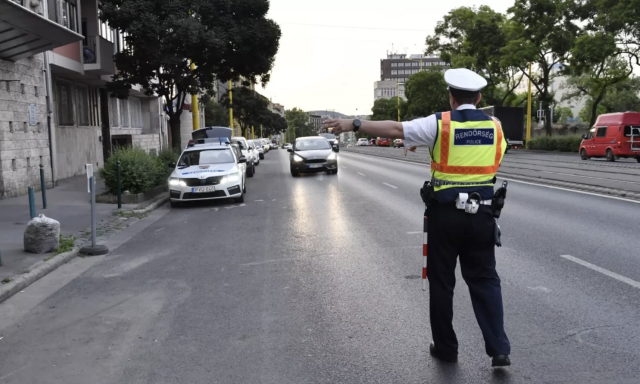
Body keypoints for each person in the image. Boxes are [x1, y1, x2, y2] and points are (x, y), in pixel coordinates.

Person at [323, 68, 511, 367]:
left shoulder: (439, 124)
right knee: (485, 280)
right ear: (478, 98)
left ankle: (447, 348)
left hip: (445, 216)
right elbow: (491, 157)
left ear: (451, 98)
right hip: (483, 215)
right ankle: (499, 348)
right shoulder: (496, 127)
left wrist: (355, 123)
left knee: (441, 282)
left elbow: (396, 130)